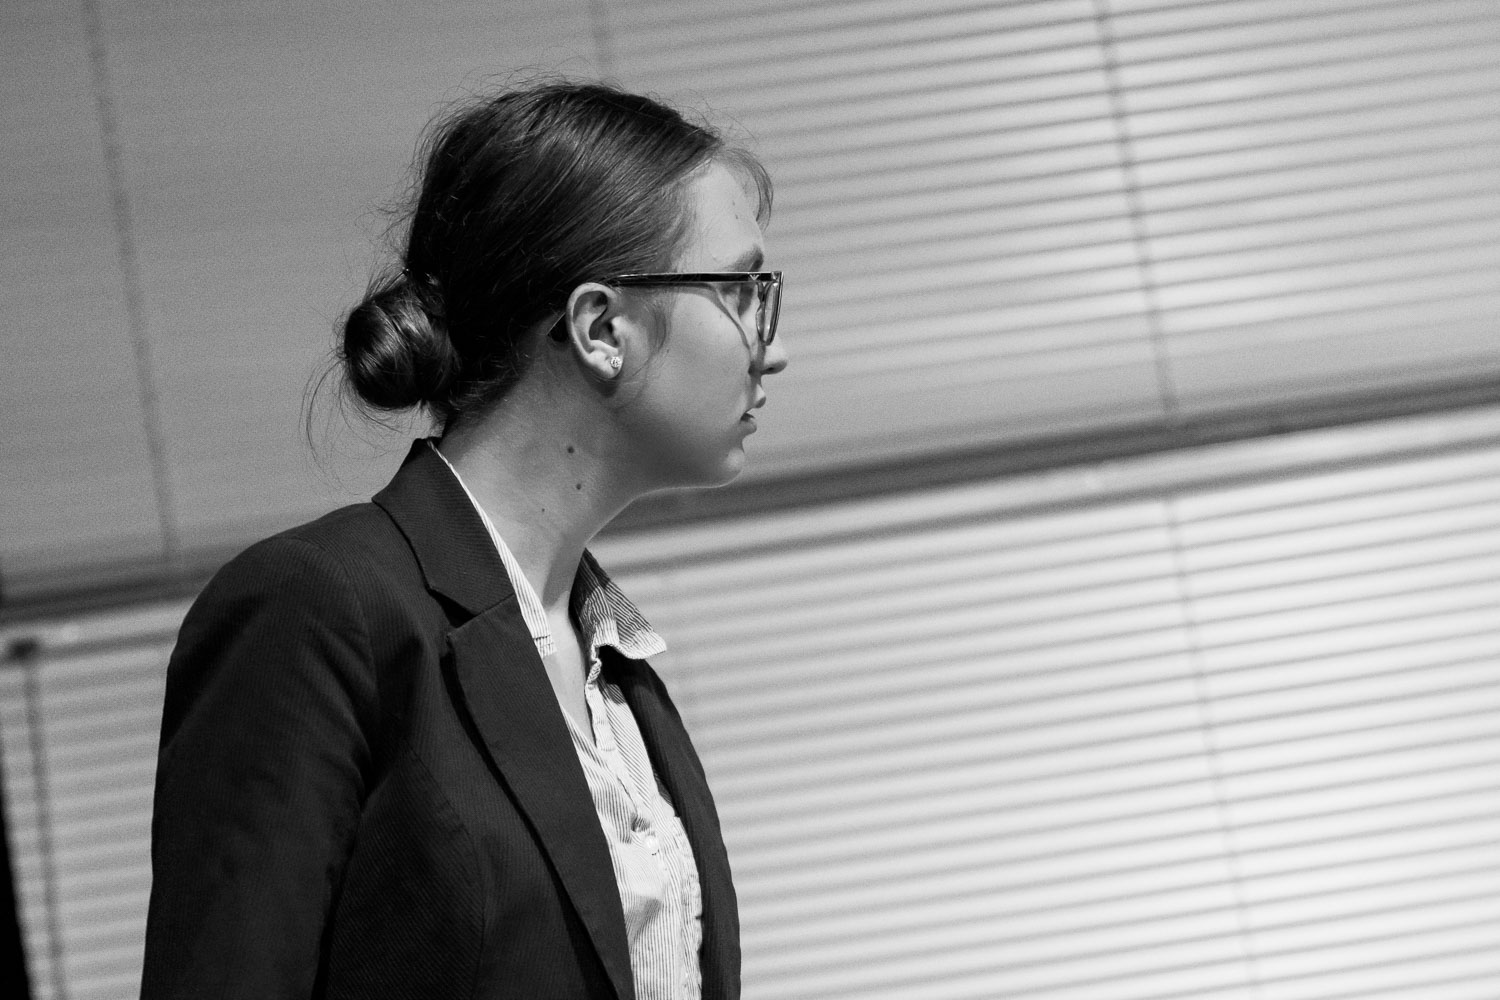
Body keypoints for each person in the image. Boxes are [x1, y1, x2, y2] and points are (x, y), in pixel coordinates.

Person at [140, 80, 787, 1000]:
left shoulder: (616, 666)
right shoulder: (322, 611)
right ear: (602, 328)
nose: (772, 346)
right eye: (741, 291)